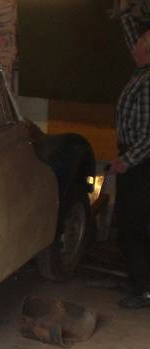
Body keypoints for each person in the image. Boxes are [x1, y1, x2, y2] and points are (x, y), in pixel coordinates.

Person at [109, 3, 150, 308]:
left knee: (136, 226)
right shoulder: (142, 70)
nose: (133, 47)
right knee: (129, 223)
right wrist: (123, 12)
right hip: (134, 160)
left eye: (138, 45)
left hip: (142, 164)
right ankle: (139, 282)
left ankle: (144, 290)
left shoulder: (149, 82)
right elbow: (132, 38)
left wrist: (127, 161)